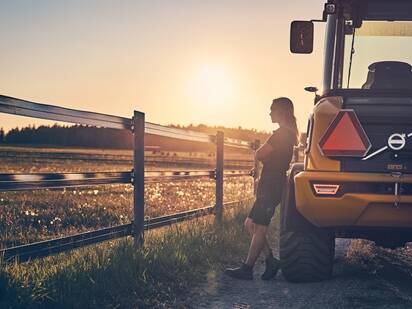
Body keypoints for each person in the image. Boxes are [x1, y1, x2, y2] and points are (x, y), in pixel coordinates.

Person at [225, 97, 299, 280]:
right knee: (250, 224)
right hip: (270, 183)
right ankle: (271, 260)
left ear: (282, 111)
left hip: (271, 185)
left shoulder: (281, 134)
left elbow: (260, 153)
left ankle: (247, 268)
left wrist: (264, 160)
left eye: (272, 109)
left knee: (260, 227)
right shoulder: (286, 134)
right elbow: (269, 156)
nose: (270, 112)